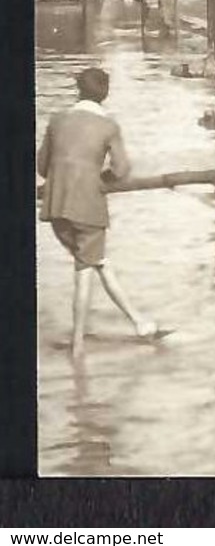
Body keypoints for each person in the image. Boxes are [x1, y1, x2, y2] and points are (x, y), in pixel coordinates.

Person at [37, 67, 158, 357]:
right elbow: (121, 170)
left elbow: (41, 167)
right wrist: (97, 178)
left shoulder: (56, 120)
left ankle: (140, 322)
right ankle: (78, 346)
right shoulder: (108, 126)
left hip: (54, 208)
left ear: (78, 90)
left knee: (96, 262)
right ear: (105, 94)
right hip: (86, 208)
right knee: (84, 271)